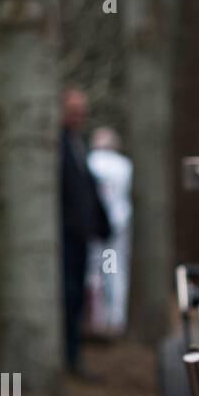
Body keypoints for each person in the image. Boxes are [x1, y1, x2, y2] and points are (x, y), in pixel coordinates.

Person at [60, 89, 110, 377]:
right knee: (69, 295)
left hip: (81, 237)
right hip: (67, 237)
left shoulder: (79, 144)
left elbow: (87, 189)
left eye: (83, 108)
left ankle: (73, 354)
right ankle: (69, 355)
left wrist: (101, 225)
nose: (79, 114)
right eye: (73, 108)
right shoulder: (61, 144)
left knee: (79, 295)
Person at [86, 127, 132, 337]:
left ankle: (98, 319)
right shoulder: (124, 165)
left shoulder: (91, 161)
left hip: (97, 227)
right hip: (118, 225)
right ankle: (116, 318)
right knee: (114, 270)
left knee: (96, 272)